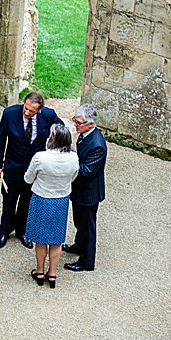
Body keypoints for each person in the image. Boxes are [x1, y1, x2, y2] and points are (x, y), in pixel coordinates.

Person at [0, 92, 61, 248]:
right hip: (12, 166)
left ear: (39, 110)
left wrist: (54, 154)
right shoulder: (9, 113)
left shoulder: (48, 115)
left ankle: (22, 230)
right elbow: (1, 139)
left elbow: (62, 131)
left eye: (32, 111)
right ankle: (4, 230)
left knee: (27, 200)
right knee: (9, 199)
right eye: (26, 108)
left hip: (34, 168)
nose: (27, 112)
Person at [25, 123, 79, 286]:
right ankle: (53, 273)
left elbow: (28, 178)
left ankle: (40, 271)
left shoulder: (40, 157)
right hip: (61, 200)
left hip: (41, 198)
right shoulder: (74, 157)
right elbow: (73, 177)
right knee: (56, 239)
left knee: (41, 239)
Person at [64, 105, 107, 272]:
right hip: (80, 189)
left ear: (90, 124)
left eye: (79, 122)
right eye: (75, 121)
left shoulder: (97, 145)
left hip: (89, 192)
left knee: (88, 227)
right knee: (79, 221)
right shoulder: (85, 135)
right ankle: (79, 246)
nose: (76, 125)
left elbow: (88, 171)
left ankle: (87, 261)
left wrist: (69, 163)